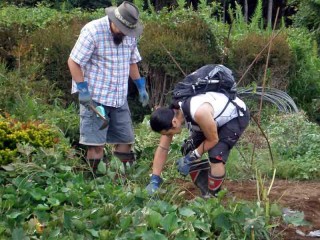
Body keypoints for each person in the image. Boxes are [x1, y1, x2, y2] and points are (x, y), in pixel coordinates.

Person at [67, 1, 148, 174]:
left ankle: (119, 180)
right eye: (123, 30)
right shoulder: (92, 31)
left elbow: (132, 61)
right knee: (96, 145)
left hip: (119, 97)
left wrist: (140, 86)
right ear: (114, 21)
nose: (126, 34)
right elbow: (73, 62)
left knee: (126, 140)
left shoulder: (130, 34)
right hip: (95, 98)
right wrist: (83, 90)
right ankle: (93, 185)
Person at [146, 90, 250, 197]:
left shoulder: (198, 113)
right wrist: (155, 178)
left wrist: (192, 157)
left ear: (174, 122)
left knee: (216, 155)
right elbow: (163, 148)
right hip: (211, 120)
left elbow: (213, 140)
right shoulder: (170, 115)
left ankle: (214, 196)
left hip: (234, 117)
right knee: (188, 149)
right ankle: (206, 190)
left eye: (168, 133)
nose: (169, 136)